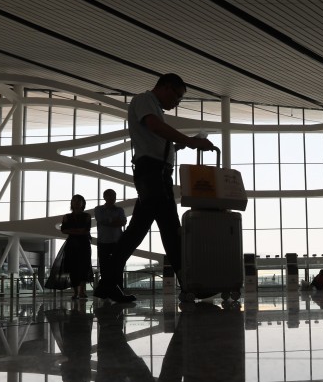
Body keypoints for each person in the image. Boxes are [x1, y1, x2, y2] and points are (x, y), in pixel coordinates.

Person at [110, 74, 215, 297]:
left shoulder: (154, 107)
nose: (177, 102)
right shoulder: (145, 100)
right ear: (165, 87)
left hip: (155, 173)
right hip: (153, 174)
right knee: (169, 227)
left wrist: (177, 147)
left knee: (139, 231)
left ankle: (108, 283)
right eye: (177, 96)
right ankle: (188, 284)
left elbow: (154, 139)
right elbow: (154, 127)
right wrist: (191, 141)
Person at [92, 188, 126, 297]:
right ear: (105, 197)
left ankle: (118, 290)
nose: (112, 198)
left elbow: (123, 222)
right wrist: (115, 221)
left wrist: (109, 221)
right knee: (104, 267)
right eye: (110, 196)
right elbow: (101, 220)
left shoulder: (120, 209)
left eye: (114, 196)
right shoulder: (98, 209)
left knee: (118, 266)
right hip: (103, 242)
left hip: (116, 242)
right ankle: (107, 291)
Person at [61, 194, 94, 300]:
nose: (76, 203)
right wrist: (78, 231)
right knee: (72, 267)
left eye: (78, 201)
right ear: (71, 203)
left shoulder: (86, 216)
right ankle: (76, 292)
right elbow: (63, 230)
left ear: (82, 203)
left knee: (84, 267)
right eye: (74, 201)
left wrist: (72, 231)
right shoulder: (67, 216)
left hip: (83, 244)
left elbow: (85, 230)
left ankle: (81, 291)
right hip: (72, 244)